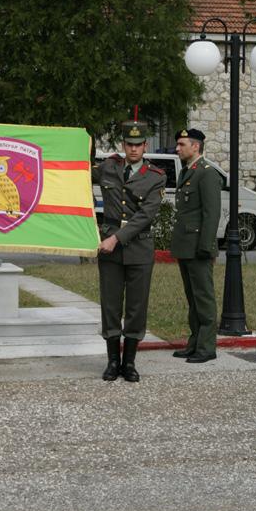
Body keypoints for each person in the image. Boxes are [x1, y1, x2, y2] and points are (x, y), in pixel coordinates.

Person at [94, 119, 166, 382]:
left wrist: (116, 238)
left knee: (136, 307)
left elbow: (145, 216)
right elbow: (76, 172)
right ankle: (113, 361)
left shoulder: (156, 177)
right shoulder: (108, 167)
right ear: (122, 144)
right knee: (111, 305)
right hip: (109, 250)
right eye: (129, 144)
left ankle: (130, 362)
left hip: (138, 247)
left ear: (146, 145)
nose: (133, 149)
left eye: (138, 144)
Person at [170, 128, 221, 364]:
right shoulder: (188, 171)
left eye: (182, 144)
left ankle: (207, 346)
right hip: (185, 245)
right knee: (193, 298)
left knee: (204, 298)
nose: (177, 148)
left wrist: (206, 246)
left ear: (195, 146)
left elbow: (211, 214)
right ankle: (195, 343)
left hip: (198, 246)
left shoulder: (206, 173)